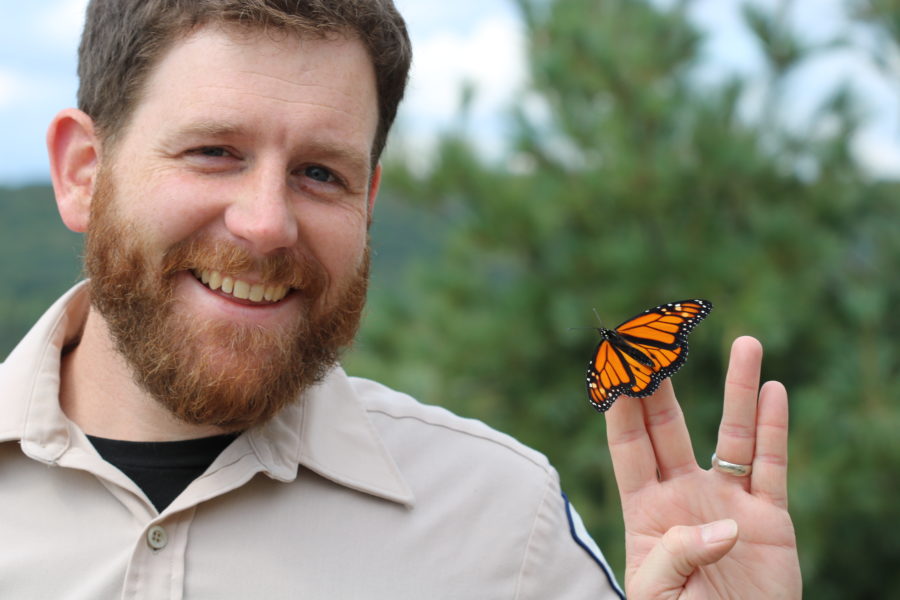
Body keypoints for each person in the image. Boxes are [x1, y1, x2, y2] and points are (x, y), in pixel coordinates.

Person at [0, 0, 800, 597]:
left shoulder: (505, 529)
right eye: (214, 152)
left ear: (369, 201)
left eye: (321, 172)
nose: (268, 223)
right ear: (82, 172)